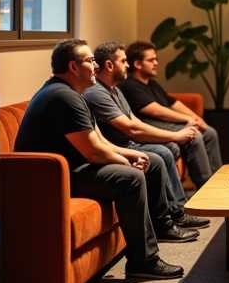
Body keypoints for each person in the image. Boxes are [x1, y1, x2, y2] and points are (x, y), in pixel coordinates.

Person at [15, 39, 186, 280]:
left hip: (71, 169)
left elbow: (100, 141)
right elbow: (93, 152)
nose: (95, 66)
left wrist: (133, 154)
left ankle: (162, 227)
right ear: (74, 67)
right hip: (51, 180)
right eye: (89, 61)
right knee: (133, 178)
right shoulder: (63, 97)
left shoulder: (73, 93)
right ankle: (143, 261)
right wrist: (126, 163)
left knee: (152, 160)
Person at [84, 41, 209, 239]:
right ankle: (169, 219)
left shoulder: (114, 89)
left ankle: (177, 211)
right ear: (109, 65)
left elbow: (133, 120)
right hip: (121, 145)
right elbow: (132, 128)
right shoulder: (96, 93)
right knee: (161, 155)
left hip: (128, 143)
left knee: (167, 151)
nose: (127, 65)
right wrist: (175, 135)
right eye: (124, 61)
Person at [119, 40, 222, 188]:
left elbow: (174, 103)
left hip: (165, 124)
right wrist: (188, 120)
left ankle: (217, 181)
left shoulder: (152, 84)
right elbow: (154, 110)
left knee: (210, 132)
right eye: (151, 60)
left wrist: (197, 119)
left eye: (156, 59)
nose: (156, 63)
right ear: (137, 64)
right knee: (193, 135)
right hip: (150, 125)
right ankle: (206, 187)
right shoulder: (130, 85)